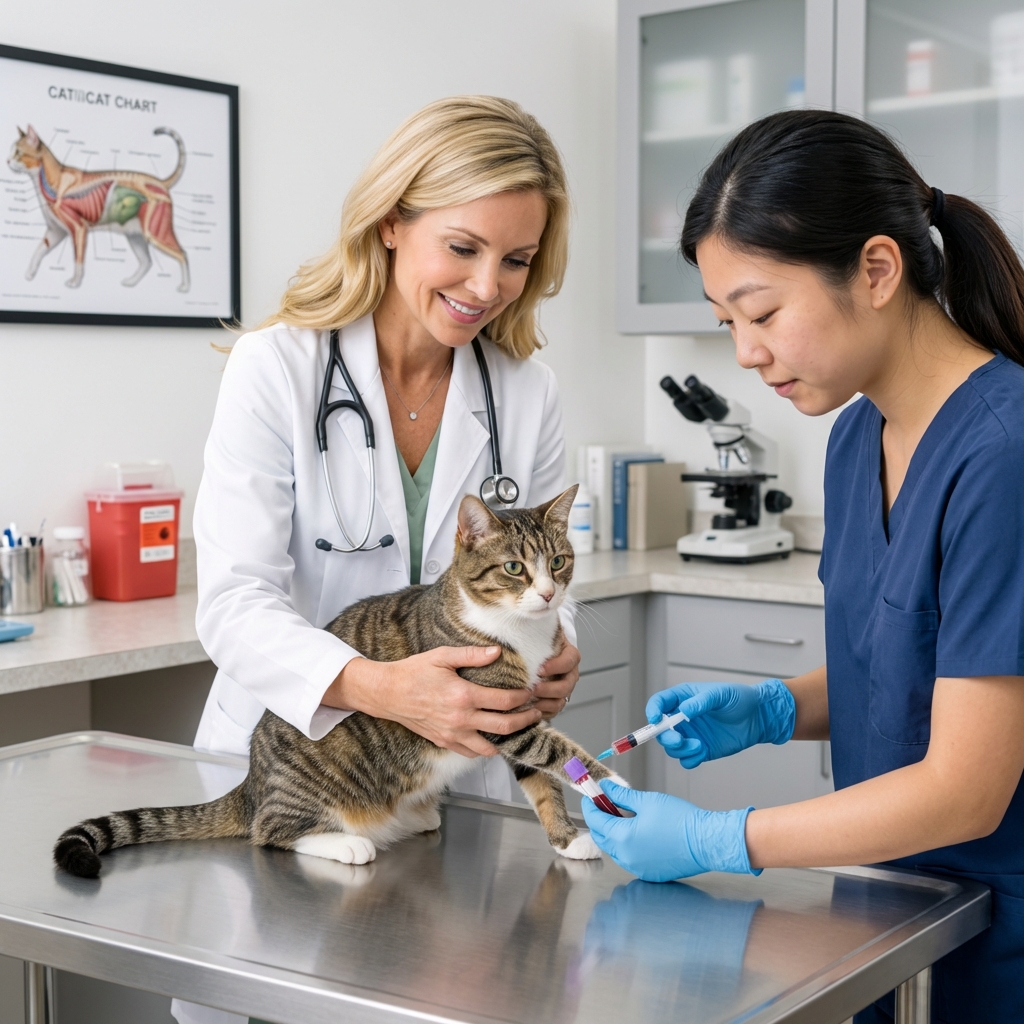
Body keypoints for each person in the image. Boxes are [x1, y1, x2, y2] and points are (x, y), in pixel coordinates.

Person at [582, 109, 1024, 1023]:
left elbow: (967, 788)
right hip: (888, 909)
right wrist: (779, 707)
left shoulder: (1004, 453)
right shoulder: (857, 429)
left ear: (875, 269)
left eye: (762, 312)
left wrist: (718, 837)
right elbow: (901, 666)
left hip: (995, 930)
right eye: (726, 321)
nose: (746, 352)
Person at [173, 96, 581, 1024]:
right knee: (279, 997)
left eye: (518, 260)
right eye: (465, 247)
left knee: (437, 997)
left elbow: (540, 577)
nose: (489, 285)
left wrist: (552, 655)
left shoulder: (527, 393)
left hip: (445, 788)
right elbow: (234, 604)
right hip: (302, 765)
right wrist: (380, 686)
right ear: (393, 221)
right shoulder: (278, 367)